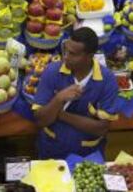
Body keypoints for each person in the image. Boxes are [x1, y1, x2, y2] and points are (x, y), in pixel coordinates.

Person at [32, 27, 119, 159]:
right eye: (65, 50)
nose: (66, 57)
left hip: (88, 154)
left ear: (89, 56)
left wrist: (59, 114)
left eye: (72, 54)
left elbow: (101, 128)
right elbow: (40, 120)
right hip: (52, 149)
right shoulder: (52, 71)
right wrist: (59, 98)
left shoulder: (107, 80)